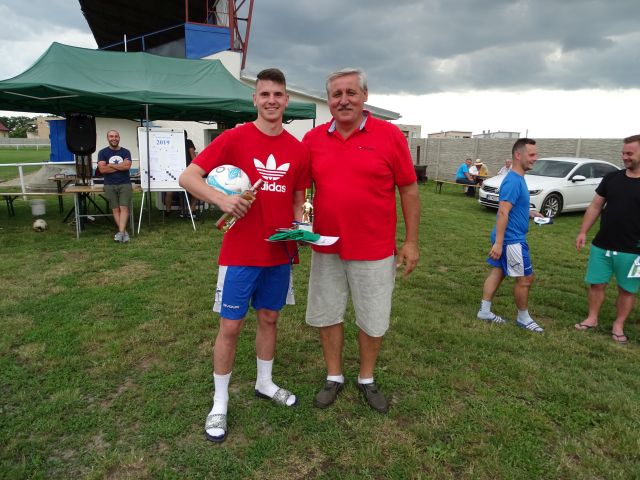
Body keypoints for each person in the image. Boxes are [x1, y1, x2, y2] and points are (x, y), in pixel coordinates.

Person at [179, 68, 310, 442]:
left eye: (278, 94)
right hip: (239, 253)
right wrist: (222, 200)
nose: (271, 100)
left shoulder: (298, 150)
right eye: (264, 94)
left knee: (270, 318)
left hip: (278, 252)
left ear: (286, 100)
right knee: (231, 326)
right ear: (255, 99)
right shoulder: (235, 138)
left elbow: (299, 200)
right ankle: (219, 402)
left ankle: (264, 383)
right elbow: (188, 177)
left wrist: (302, 227)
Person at [302, 68, 420, 414]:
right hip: (327, 246)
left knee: (373, 317)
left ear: (364, 96)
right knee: (327, 314)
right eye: (336, 94)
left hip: (374, 249)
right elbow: (299, 190)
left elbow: (409, 189)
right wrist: (299, 225)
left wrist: (411, 241)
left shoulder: (389, 135)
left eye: (351, 92)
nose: (344, 100)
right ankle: (334, 376)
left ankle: (366, 378)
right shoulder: (313, 139)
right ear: (328, 100)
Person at [574, 134, 640, 344]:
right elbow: (595, 206)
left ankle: (618, 325)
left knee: (627, 289)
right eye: (623, 153)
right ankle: (592, 318)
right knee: (596, 284)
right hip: (602, 245)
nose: (625, 157)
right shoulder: (612, 178)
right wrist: (583, 231)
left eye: (630, 153)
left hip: (633, 249)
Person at [476, 138, 545, 332]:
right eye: (532, 155)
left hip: (508, 238)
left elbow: (512, 207)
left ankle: (484, 311)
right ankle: (523, 318)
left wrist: (530, 213)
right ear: (518, 155)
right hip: (511, 239)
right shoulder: (514, 180)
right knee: (525, 279)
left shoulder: (518, 178)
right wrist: (499, 243)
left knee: (498, 272)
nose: (535, 158)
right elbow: (503, 212)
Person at [97, 130, 132, 242]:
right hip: (109, 184)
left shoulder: (126, 152)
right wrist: (120, 165)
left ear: (119, 138)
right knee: (115, 209)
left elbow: (127, 167)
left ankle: (121, 233)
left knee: (124, 208)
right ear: (108, 138)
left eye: (116, 136)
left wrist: (110, 165)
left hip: (125, 183)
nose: (114, 138)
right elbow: (102, 170)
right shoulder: (102, 152)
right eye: (111, 136)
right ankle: (123, 233)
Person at [164, 131, 197, 217]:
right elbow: (192, 155)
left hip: (173, 170)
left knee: (170, 191)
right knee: (194, 191)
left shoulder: (172, 142)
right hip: (187, 170)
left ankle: (168, 211)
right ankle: (191, 211)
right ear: (186, 136)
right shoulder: (188, 142)